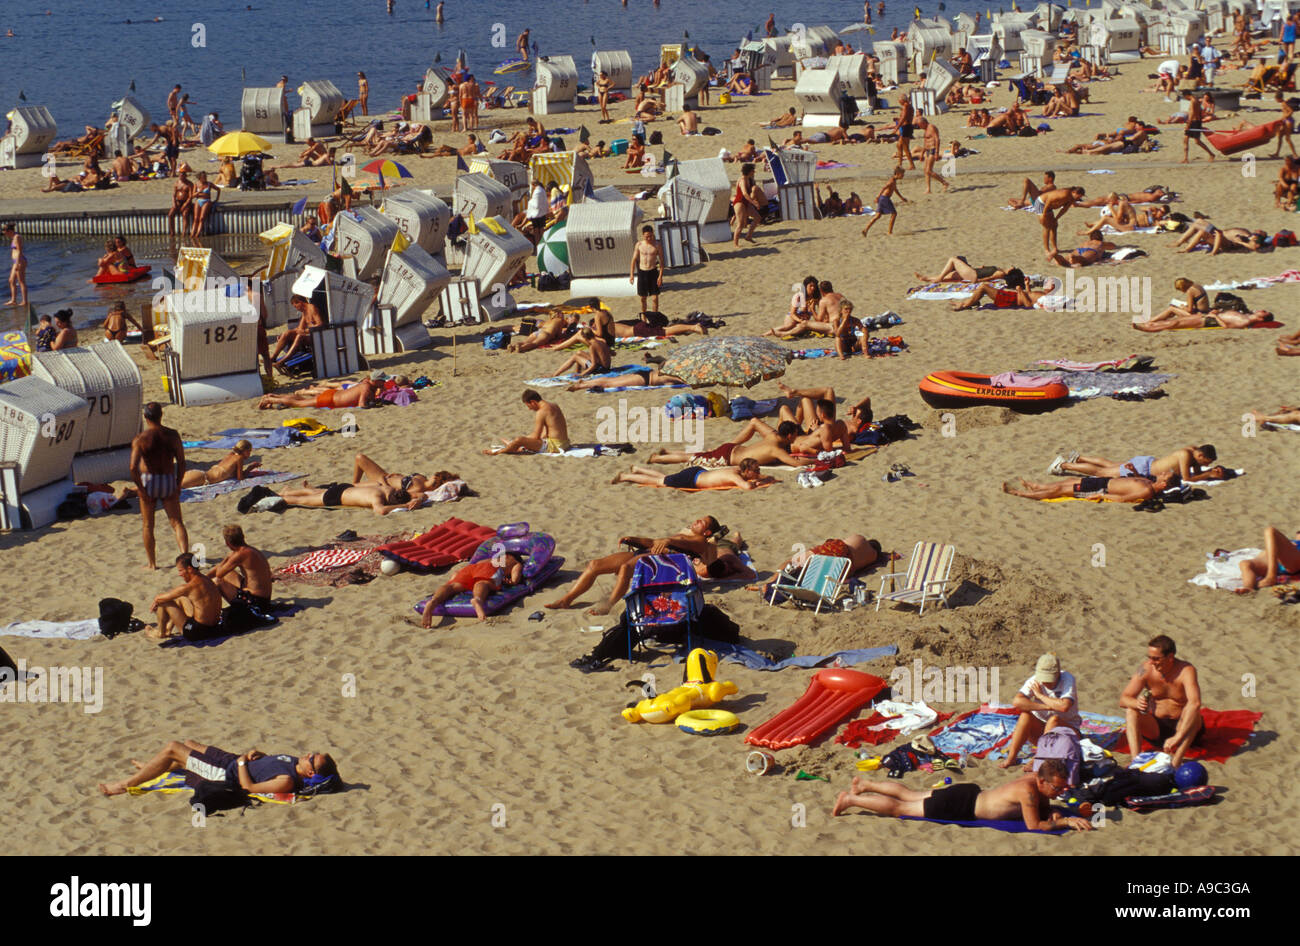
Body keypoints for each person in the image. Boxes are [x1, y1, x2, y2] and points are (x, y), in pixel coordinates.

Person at [830, 763, 1092, 831]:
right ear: (1042, 781)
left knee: (910, 793)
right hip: (962, 805)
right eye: (1057, 788)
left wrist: (1054, 812)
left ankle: (865, 784)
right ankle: (851, 800)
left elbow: (1045, 808)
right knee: (901, 808)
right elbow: (1035, 825)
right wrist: (1064, 821)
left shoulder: (1035, 783)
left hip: (968, 793)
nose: (1060, 792)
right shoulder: (1029, 792)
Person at [546, 518, 727, 612]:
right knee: (595, 564)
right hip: (647, 553)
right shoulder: (682, 535)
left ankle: (608, 605)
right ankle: (566, 600)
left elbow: (683, 546)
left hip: (662, 563)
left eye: (702, 522)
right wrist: (634, 539)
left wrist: (669, 541)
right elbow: (653, 542)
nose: (696, 521)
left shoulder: (701, 543)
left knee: (625, 568)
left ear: (707, 532)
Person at [98, 740, 336, 798]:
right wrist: (257, 755)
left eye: (312, 758)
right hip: (233, 760)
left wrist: (242, 763)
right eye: (312, 753)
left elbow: (248, 787)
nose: (308, 754)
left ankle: (124, 785)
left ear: (311, 773)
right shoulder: (293, 761)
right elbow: (266, 765)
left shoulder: (287, 780)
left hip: (226, 773)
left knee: (173, 748)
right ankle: (154, 767)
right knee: (190, 744)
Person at [1119, 635, 1203, 769]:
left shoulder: (1186, 671)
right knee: (1131, 711)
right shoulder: (1145, 669)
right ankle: (1136, 760)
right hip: (1156, 727)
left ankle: (1176, 762)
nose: (1151, 662)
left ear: (1170, 657)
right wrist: (1137, 703)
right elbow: (1124, 699)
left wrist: (1178, 736)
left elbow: (1195, 702)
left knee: (1194, 714)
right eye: (1149, 657)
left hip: (1183, 727)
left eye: (1156, 658)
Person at [129, 403, 189, 569]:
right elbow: (181, 462)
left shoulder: (140, 439)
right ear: (161, 415)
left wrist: (141, 489)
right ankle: (185, 558)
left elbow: (133, 467)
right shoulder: (172, 435)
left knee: (148, 525)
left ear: (145, 417)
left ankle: (152, 564)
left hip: (149, 481)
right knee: (177, 522)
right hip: (168, 479)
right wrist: (178, 483)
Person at [998, 654, 1084, 770]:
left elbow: (1064, 706)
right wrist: (1047, 707)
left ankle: (1039, 757)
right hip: (1042, 730)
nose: (1045, 683)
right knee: (1025, 715)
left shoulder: (1068, 679)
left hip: (1068, 732)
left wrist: (1040, 696)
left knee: (1054, 720)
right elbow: (1017, 702)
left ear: (1058, 674)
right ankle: (1012, 757)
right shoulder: (1034, 681)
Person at [647, 419, 806, 469]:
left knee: (700, 455)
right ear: (789, 435)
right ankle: (656, 459)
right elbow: (796, 463)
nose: (796, 436)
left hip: (731, 447)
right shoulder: (776, 450)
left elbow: (754, 422)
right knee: (691, 458)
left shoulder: (772, 435)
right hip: (727, 457)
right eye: (795, 434)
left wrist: (732, 442)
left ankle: (668, 452)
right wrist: (815, 460)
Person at [420, 552, 524, 625]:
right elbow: (515, 579)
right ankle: (477, 600)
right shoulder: (515, 562)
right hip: (490, 568)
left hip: (471, 568)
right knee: (482, 583)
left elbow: (457, 573)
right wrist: (511, 582)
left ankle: (433, 601)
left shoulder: (492, 559)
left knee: (452, 586)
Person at [144, 553, 225, 641]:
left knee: (163, 601)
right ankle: (168, 629)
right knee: (181, 599)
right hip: (214, 628)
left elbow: (159, 598)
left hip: (196, 632)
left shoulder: (189, 587)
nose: (179, 574)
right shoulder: (207, 579)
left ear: (189, 569)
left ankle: (160, 633)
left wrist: (156, 602)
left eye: (180, 570)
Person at [1048, 444, 1224, 482]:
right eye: (1205, 462)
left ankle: (1079, 459)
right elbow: (1187, 477)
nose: (1205, 465)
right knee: (1101, 473)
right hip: (1144, 468)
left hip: (1147, 462)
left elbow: (1196, 471)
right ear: (1200, 455)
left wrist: (1208, 471)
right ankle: (1063, 465)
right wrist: (1208, 474)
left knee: (1110, 464)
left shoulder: (1192, 451)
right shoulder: (1185, 455)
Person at [1002, 469, 1180, 503]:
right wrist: (1133, 471)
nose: (1163, 472)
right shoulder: (1149, 481)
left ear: (1164, 484)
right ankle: (1036, 486)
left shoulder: (1147, 490)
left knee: (1059, 491)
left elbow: (1123, 498)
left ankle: (1019, 493)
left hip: (1101, 489)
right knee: (1068, 481)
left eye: (1165, 474)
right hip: (1103, 481)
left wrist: (1102, 496)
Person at [207, 524, 274, 613]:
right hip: (263, 597)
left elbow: (219, 574)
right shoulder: (250, 550)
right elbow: (220, 569)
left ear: (227, 543)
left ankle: (210, 610)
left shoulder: (240, 555)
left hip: (257, 602)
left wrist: (227, 558)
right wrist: (205, 578)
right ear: (243, 537)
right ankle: (202, 581)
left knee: (217, 581)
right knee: (228, 573)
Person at [485, 389, 570, 454]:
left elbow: (535, 436)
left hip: (555, 446)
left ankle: (500, 451)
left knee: (519, 439)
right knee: (543, 431)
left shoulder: (541, 412)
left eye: (528, 406)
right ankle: (514, 445)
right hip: (565, 443)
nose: (529, 409)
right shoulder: (554, 405)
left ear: (533, 402)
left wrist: (519, 441)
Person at [611, 457, 775, 491]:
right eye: (756, 470)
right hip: (692, 479)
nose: (758, 472)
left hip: (698, 473)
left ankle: (637, 469)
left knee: (664, 478)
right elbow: (747, 486)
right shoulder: (735, 476)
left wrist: (763, 477)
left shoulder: (738, 470)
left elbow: (753, 478)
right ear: (747, 471)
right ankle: (625, 476)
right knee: (662, 481)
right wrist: (759, 482)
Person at [278, 478, 417, 514]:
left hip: (345, 487)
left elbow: (419, 495)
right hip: (337, 497)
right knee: (301, 500)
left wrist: (418, 499)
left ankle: (287, 491)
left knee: (315, 492)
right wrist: (405, 505)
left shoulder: (388, 488)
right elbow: (380, 510)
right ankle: (280, 497)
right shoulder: (377, 498)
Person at [1234, 526, 1300, 592]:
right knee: (1245, 564)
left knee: (1270, 530)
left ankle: (1271, 577)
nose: (1298, 533)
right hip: (1276, 561)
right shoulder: (1288, 542)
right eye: (1298, 532)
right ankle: (1248, 587)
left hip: (1294, 560)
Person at [950, 269, 1052, 310]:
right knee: (983, 287)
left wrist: (1020, 291)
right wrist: (1027, 285)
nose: (1046, 284)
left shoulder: (1045, 297)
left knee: (983, 287)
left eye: (1049, 284)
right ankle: (968, 303)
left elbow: (1028, 305)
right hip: (1012, 297)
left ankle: (964, 305)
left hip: (1011, 299)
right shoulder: (1042, 294)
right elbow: (1030, 296)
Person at [258, 376, 381, 410]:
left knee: (302, 399)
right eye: (382, 380)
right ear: (374, 381)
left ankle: (274, 396)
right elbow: (361, 405)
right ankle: (271, 400)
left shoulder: (365, 384)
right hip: (330, 400)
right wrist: (372, 405)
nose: (384, 382)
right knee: (299, 403)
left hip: (332, 395)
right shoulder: (366, 388)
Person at [269, 293, 324, 367]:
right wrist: (283, 335)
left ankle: (283, 361)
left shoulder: (312, 308)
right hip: (310, 334)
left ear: (300, 302)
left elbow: (320, 324)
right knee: (287, 333)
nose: (296, 309)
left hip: (317, 336)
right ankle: (273, 357)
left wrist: (305, 331)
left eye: (296, 306)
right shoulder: (304, 312)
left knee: (300, 336)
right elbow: (299, 328)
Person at [180, 440, 259, 488]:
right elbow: (240, 478)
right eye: (249, 451)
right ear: (245, 451)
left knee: (174, 484)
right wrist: (250, 468)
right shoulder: (239, 458)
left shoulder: (231, 455)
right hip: (202, 479)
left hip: (200, 474)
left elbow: (234, 473)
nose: (249, 454)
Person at [860, 166, 908, 237]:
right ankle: (889, 232)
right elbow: (883, 188)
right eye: (902, 174)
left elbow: (895, 190)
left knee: (877, 216)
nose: (903, 176)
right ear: (897, 174)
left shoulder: (894, 181)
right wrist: (877, 197)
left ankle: (865, 230)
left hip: (882, 199)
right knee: (894, 214)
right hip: (885, 199)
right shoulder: (891, 181)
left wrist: (902, 198)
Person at [1134, 307, 1272, 331]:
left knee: (1175, 323)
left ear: (1261, 319)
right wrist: (1216, 312)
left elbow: (1225, 326)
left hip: (1208, 321)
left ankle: (1147, 328)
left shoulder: (1245, 321)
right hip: (1207, 316)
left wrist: (1214, 316)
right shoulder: (1246, 315)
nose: (1262, 309)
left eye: (1264, 312)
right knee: (1173, 313)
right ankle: (1149, 323)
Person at [565, 366, 686, 391]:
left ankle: (585, 382)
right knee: (610, 383)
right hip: (644, 379)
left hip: (644, 374)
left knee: (611, 381)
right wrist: (686, 382)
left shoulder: (671, 370)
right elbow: (680, 381)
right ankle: (582, 385)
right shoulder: (673, 375)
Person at [630, 225, 664, 313]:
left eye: (650, 236)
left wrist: (660, 276)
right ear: (643, 235)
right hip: (642, 272)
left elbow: (661, 262)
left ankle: (655, 316)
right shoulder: (639, 245)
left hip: (653, 272)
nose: (648, 238)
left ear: (653, 234)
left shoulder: (657, 245)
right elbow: (633, 260)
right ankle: (644, 316)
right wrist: (631, 275)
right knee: (643, 298)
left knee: (655, 298)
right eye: (646, 237)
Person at [731, 162, 763, 246]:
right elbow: (744, 194)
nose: (754, 172)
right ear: (749, 171)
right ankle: (736, 244)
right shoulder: (742, 180)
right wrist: (754, 203)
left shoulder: (749, 179)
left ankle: (748, 236)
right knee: (740, 224)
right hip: (739, 202)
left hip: (746, 202)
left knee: (757, 218)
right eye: (753, 170)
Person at [914, 257, 1009, 283]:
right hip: (974, 272)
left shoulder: (1001, 273)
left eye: (1012, 268)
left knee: (953, 259)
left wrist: (977, 281)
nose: (1011, 267)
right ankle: (928, 278)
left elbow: (989, 278)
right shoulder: (1000, 270)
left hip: (974, 275)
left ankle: (939, 278)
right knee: (953, 274)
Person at [917, 117, 949, 194]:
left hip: (933, 150)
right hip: (927, 150)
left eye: (920, 125)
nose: (920, 127)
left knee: (929, 170)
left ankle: (944, 183)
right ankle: (928, 189)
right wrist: (922, 153)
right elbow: (925, 142)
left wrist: (937, 152)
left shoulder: (931, 127)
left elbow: (937, 139)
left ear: (924, 123)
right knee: (925, 170)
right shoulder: (925, 129)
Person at [1182, 90, 1216, 163]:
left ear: (1186, 95)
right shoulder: (1196, 100)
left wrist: (1188, 124)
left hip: (1194, 122)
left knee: (1197, 141)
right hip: (1196, 121)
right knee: (1185, 139)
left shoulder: (1193, 101)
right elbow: (1200, 111)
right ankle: (1185, 158)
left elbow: (1192, 114)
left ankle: (1211, 154)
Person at [189, 170, 219, 238]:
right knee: (196, 218)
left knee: (202, 218)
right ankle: (192, 234)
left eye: (205, 177)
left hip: (206, 201)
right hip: (199, 200)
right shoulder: (196, 184)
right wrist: (199, 192)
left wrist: (216, 199)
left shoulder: (209, 184)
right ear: (200, 178)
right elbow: (192, 196)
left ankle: (197, 235)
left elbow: (218, 189)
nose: (205, 178)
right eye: (203, 177)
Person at [3, 222, 26, 307]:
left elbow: (19, 251)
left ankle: (24, 301)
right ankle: (13, 300)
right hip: (16, 261)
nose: (5, 235)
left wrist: (17, 264)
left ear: (9, 231)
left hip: (19, 261)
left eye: (5, 233)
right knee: (11, 280)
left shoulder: (17, 237)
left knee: (21, 281)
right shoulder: (14, 237)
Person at [167, 170, 193, 236]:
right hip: (178, 201)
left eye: (182, 176)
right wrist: (174, 203)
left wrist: (185, 205)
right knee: (170, 214)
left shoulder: (189, 184)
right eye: (180, 176)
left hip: (186, 201)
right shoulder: (177, 183)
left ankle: (183, 233)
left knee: (185, 214)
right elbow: (174, 195)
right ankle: (172, 232)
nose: (181, 177)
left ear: (185, 176)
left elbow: (190, 197)